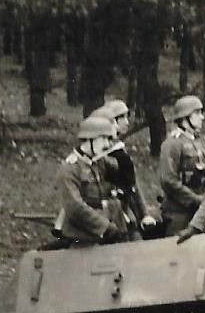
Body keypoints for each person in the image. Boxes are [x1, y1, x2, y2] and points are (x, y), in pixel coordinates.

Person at [88, 101, 158, 239]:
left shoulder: (118, 149)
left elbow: (133, 185)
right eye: (121, 118)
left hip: (123, 211)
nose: (127, 122)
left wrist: (144, 214)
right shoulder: (98, 155)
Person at [54, 116, 128, 246]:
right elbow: (75, 207)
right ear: (89, 140)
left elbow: (124, 176)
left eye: (108, 139)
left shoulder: (99, 161)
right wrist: (104, 227)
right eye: (103, 138)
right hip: (82, 236)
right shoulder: (70, 168)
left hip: (105, 233)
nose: (107, 144)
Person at [158, 95, 205, 236]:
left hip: (199, 213)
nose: (202, 117)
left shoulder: (198, 143)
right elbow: (168, 180)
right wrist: (195, 199)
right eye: (197, 113)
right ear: (185, 119)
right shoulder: (172, 144)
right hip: (178, 213)